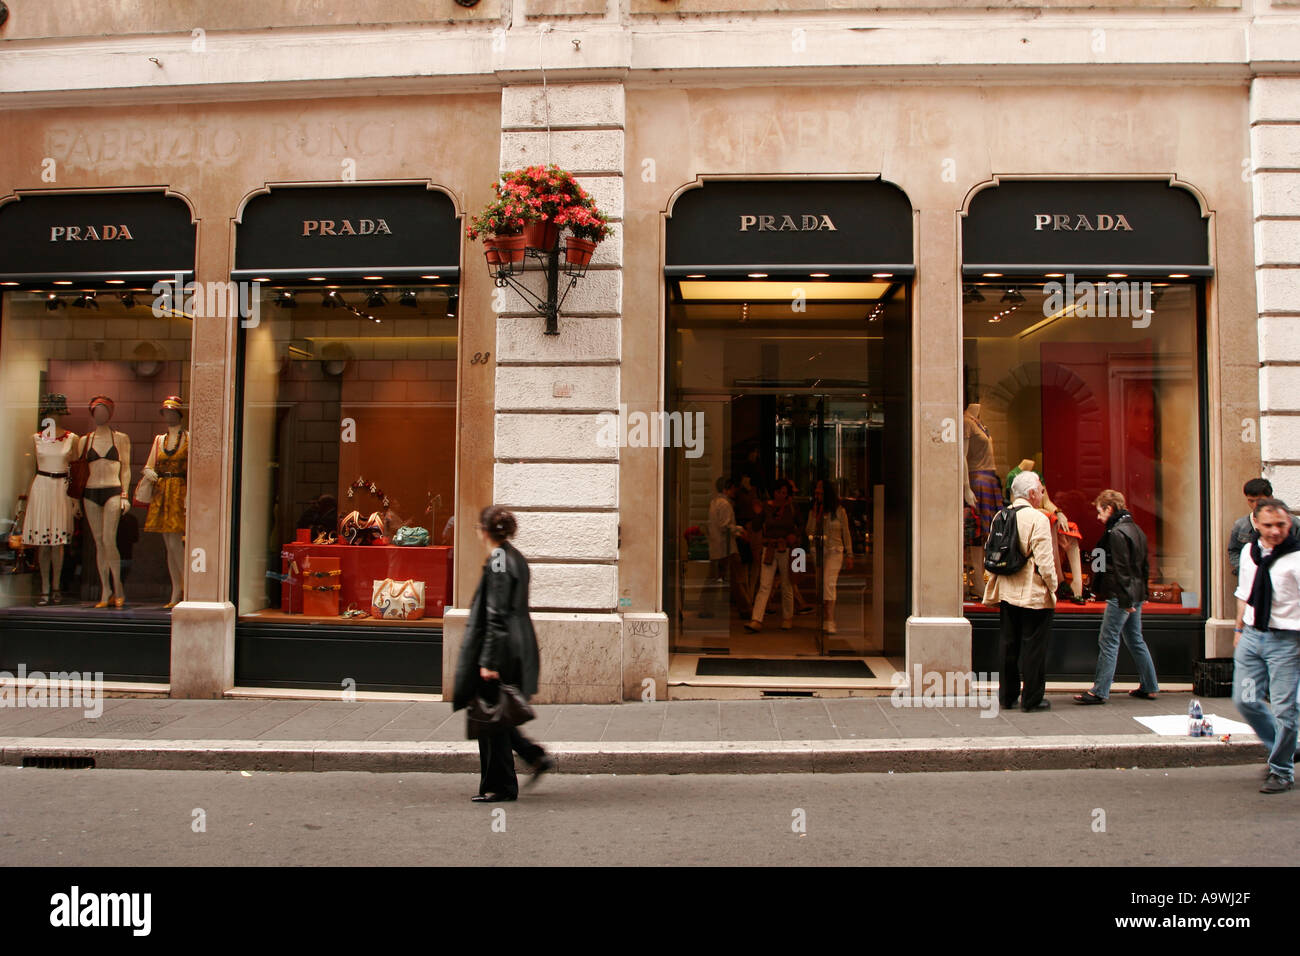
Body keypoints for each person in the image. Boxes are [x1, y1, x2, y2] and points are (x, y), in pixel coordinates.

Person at [452, 506, 553, 802]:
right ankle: (534, 757)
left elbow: (496, 614)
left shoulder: (498, 561)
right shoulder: (515, 557)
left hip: (502, 649)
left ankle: (501, 786)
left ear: (484, 531)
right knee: (498, 715)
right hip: (518, 644)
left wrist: (488, 661)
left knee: (489, 718)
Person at [1232, 498, 1300, 794]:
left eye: (1281, 525)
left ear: (1290, 524)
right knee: (1245, 700)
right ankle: (1285, 748)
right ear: (1256, 524)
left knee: (1286, 709)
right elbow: (1245, 593)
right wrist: (1238, 628)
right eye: (1268, 525)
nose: (1275, 531)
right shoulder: (1250, 552)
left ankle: (1282, 770)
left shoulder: (1296, 558)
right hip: (1252, 636)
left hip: (1286, 640)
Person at [1073, 490, 1160, 704]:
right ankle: (1149, 686)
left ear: (1109, 509)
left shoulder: (1117, 533)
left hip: (1122, 594)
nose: (1098, 516)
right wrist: (1144, 594)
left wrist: (1125, 600)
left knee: (1108, 639)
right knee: (1135, 639)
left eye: (1100, 511)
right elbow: (1144, 565)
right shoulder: (1136, 529)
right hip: (1136, 591)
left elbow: (1121, 569)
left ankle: (1100, 690)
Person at [982, 470, 1058, 712]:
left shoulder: (999, 516)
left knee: (1008, 644)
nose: (1043, 494)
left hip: (1006, 591)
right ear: (1033, 493)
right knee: (1034, 647)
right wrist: (1054, 586)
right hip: (1032, 593)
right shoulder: (1038, 519)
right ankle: (1032, 699)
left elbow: (990, 549)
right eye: (1041, 489)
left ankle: (1007, 696)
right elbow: (1046, 562)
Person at [745, 479, 798, 633]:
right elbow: (755, 526)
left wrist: (794, 535)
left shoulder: (791, 508)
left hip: (786, 549)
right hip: (769, 548)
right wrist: (758, 514)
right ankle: (756, 619)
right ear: (774, 492)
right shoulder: (766, 508)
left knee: (787, 584)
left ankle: (787, 618)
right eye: (780, 492)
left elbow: (800, 525)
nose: (783, 495)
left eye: (785, 493)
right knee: (764, 585)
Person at [808, 478, 853, 634]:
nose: (818, 495)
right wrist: (815, 515)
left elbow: (846, 532)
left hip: (835, 550)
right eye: (816, 493)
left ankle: (830, 619)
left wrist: (850, 553)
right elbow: (809, 531)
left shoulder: (839, 511)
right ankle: (822, 617)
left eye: (820, 493)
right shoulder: (815, 510)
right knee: (820, 585)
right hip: (819, 551)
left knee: (829, 582)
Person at [1228, 478, 1300, 577]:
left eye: (1259, 501)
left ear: (1271, 498)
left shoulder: (1293, 523)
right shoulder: (1241, 525)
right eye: (1251, 501)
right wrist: (1244, 568)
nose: (1255, 505)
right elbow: (1234, 550)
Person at [702, 476, 746, 619]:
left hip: (716, 547)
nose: (735, 491)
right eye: (733, 488)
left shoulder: (714, 502)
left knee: (712, 580)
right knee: (737, 580)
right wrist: (740, 530)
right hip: (727, 548)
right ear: (727, 488)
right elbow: (725, 527)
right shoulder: (725, 504)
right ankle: (745, 609)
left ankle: (706, 608)